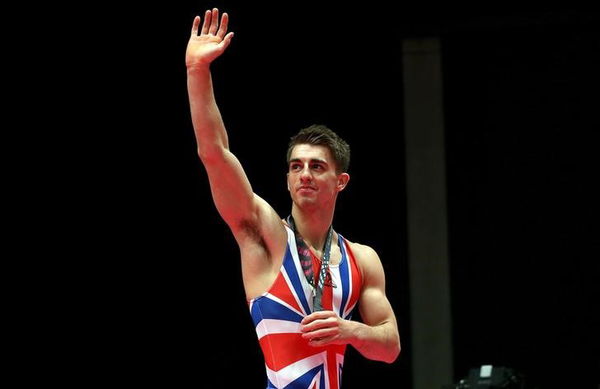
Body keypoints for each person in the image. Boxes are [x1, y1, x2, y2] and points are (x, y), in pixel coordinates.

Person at [185, 8, 400, 389]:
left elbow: (389, 347)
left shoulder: (362, 259)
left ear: (341, 182)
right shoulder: (264, 236)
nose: (304, 174)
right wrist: (197, 72)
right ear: (286, 179)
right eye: (296, 166)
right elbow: (214, 152)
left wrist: (349, 330)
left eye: (317, 167)